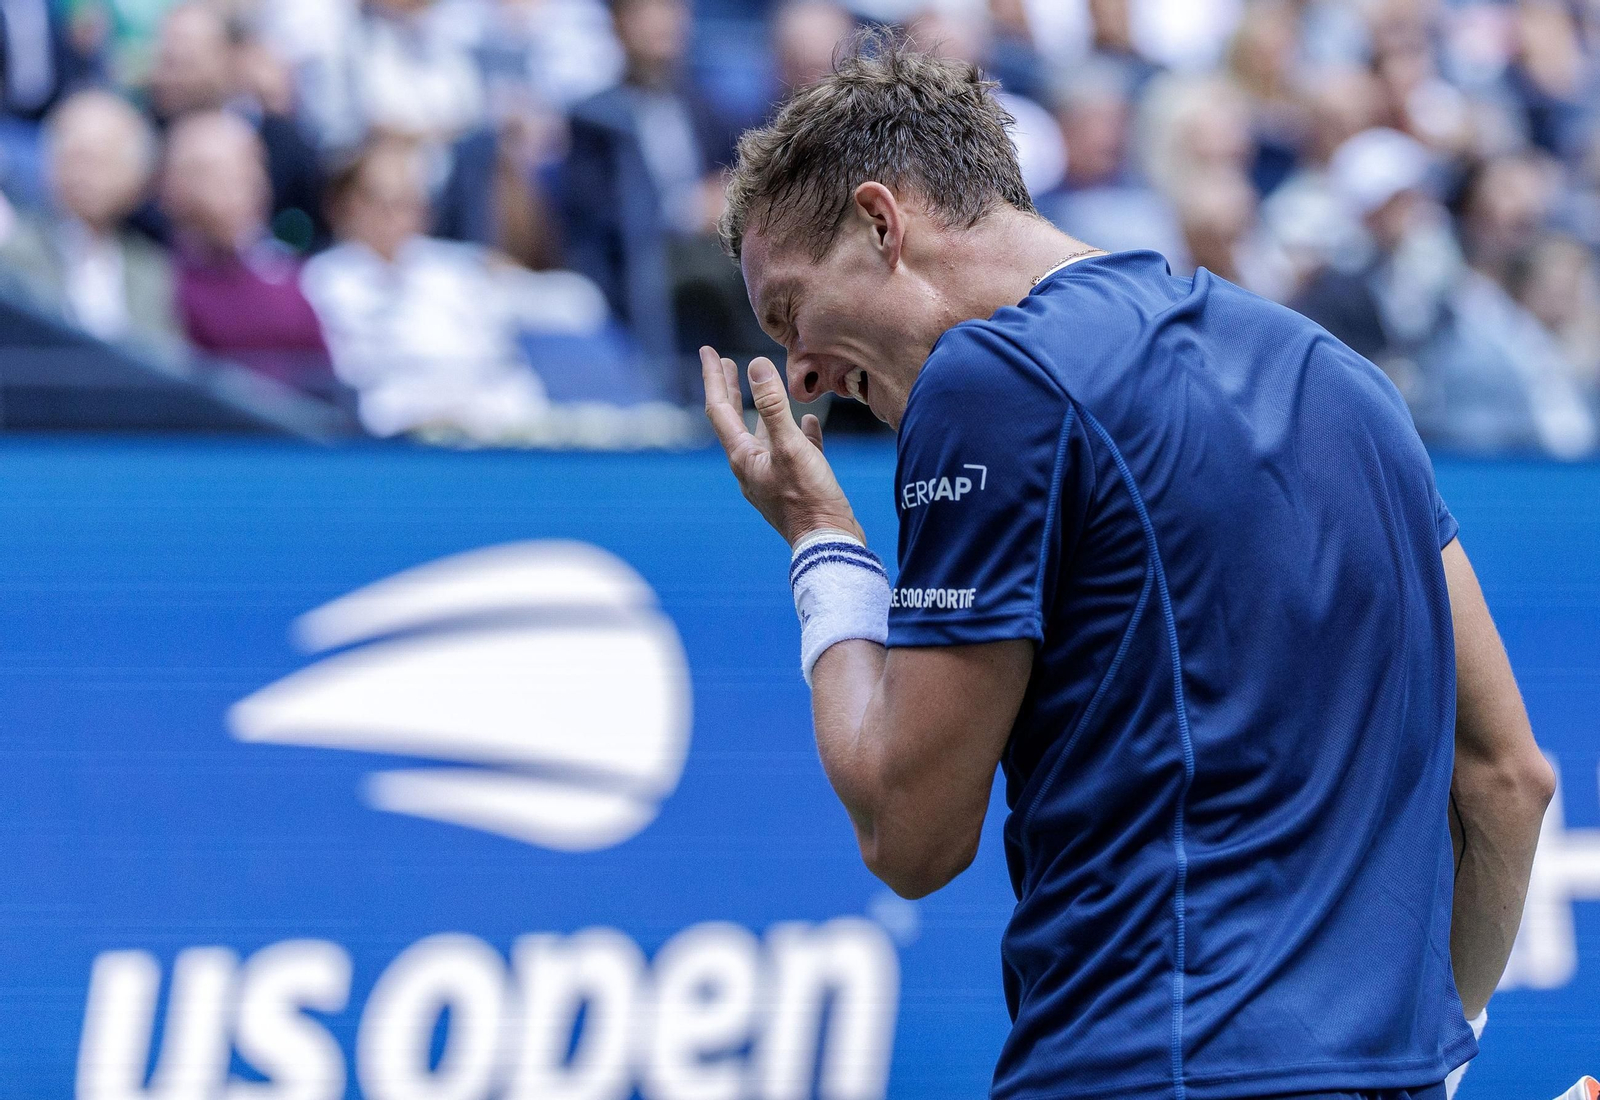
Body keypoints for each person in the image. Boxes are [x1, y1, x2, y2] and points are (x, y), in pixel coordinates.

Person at [700, 34, 1555, 1100]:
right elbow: (1509, 781)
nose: (799, 374)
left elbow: (907, 832)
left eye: (789, 314)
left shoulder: (988, 379)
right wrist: (1444, 1043)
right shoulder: (1344, 377)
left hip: (1142, 1070)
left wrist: (818, 537)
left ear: (882, 223)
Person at [302, 138, 613, 441]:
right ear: (342, 206)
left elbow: (576, 302)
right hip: (398, 433)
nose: (393, 216)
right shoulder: (320, 281)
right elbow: (356, 378)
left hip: (500, 422)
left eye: (407, 203)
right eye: (379, 201)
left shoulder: (459, 267)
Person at [0, 89, 179, 356]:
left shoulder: (151, 271)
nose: (83, 175)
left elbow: (166, 360)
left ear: (137, 178)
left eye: (100, 162)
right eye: (73, 158)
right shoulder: (13, 253)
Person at [160, 110, 328, 385]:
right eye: (219, 175)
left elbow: (324, 378)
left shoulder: (290, 279)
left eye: (251, 168)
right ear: (172, 185)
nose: (246, 187)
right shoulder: (157, 280)